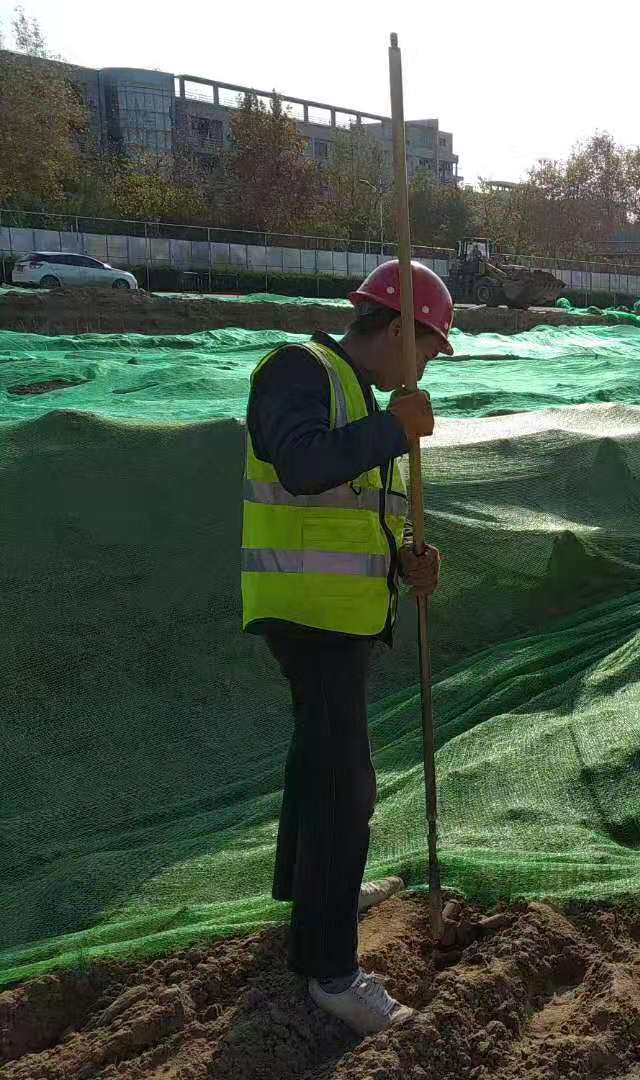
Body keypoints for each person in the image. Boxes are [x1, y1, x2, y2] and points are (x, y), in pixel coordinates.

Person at [242, 260, 454, 1035]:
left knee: (318, 757)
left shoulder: (364, 399)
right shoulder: (299, 371)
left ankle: (308, 889)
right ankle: (331, 971)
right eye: (428, 349)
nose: (425, 366)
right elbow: (301, 467)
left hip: (341, 614)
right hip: (308, 613)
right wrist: (391, 428)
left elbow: (361, 510)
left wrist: (406, 559)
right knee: (345, 786)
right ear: (399, 330)